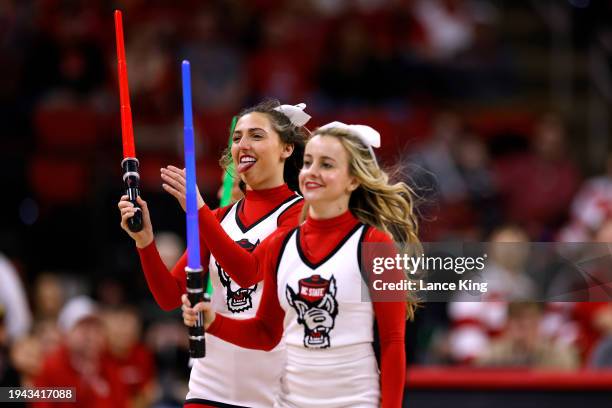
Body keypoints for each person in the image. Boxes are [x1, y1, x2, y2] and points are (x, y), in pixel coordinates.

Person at [183, 122, 419, 407]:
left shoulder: (376, 245)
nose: (312, 172)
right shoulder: (279, 245)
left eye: (327, 165)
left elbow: (393, 342)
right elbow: (265, 333)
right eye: (308, 163)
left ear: (353, 180)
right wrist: (213, 321)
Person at [118, 100, 310, 408]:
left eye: (256, 135)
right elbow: (170, 296)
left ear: (286, 148)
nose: (243, 144)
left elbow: (249, 272)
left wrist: (198, 212)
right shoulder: (219, 219)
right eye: (237, 137)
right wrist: (145, 241)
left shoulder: (299, 215)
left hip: (272, 392)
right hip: (209, 386)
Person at [33, 296, 127, 408]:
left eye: (97, 328)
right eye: (84, 328)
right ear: (66, 333)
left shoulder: (110, 366)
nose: (91, 335)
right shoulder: (51, 367)